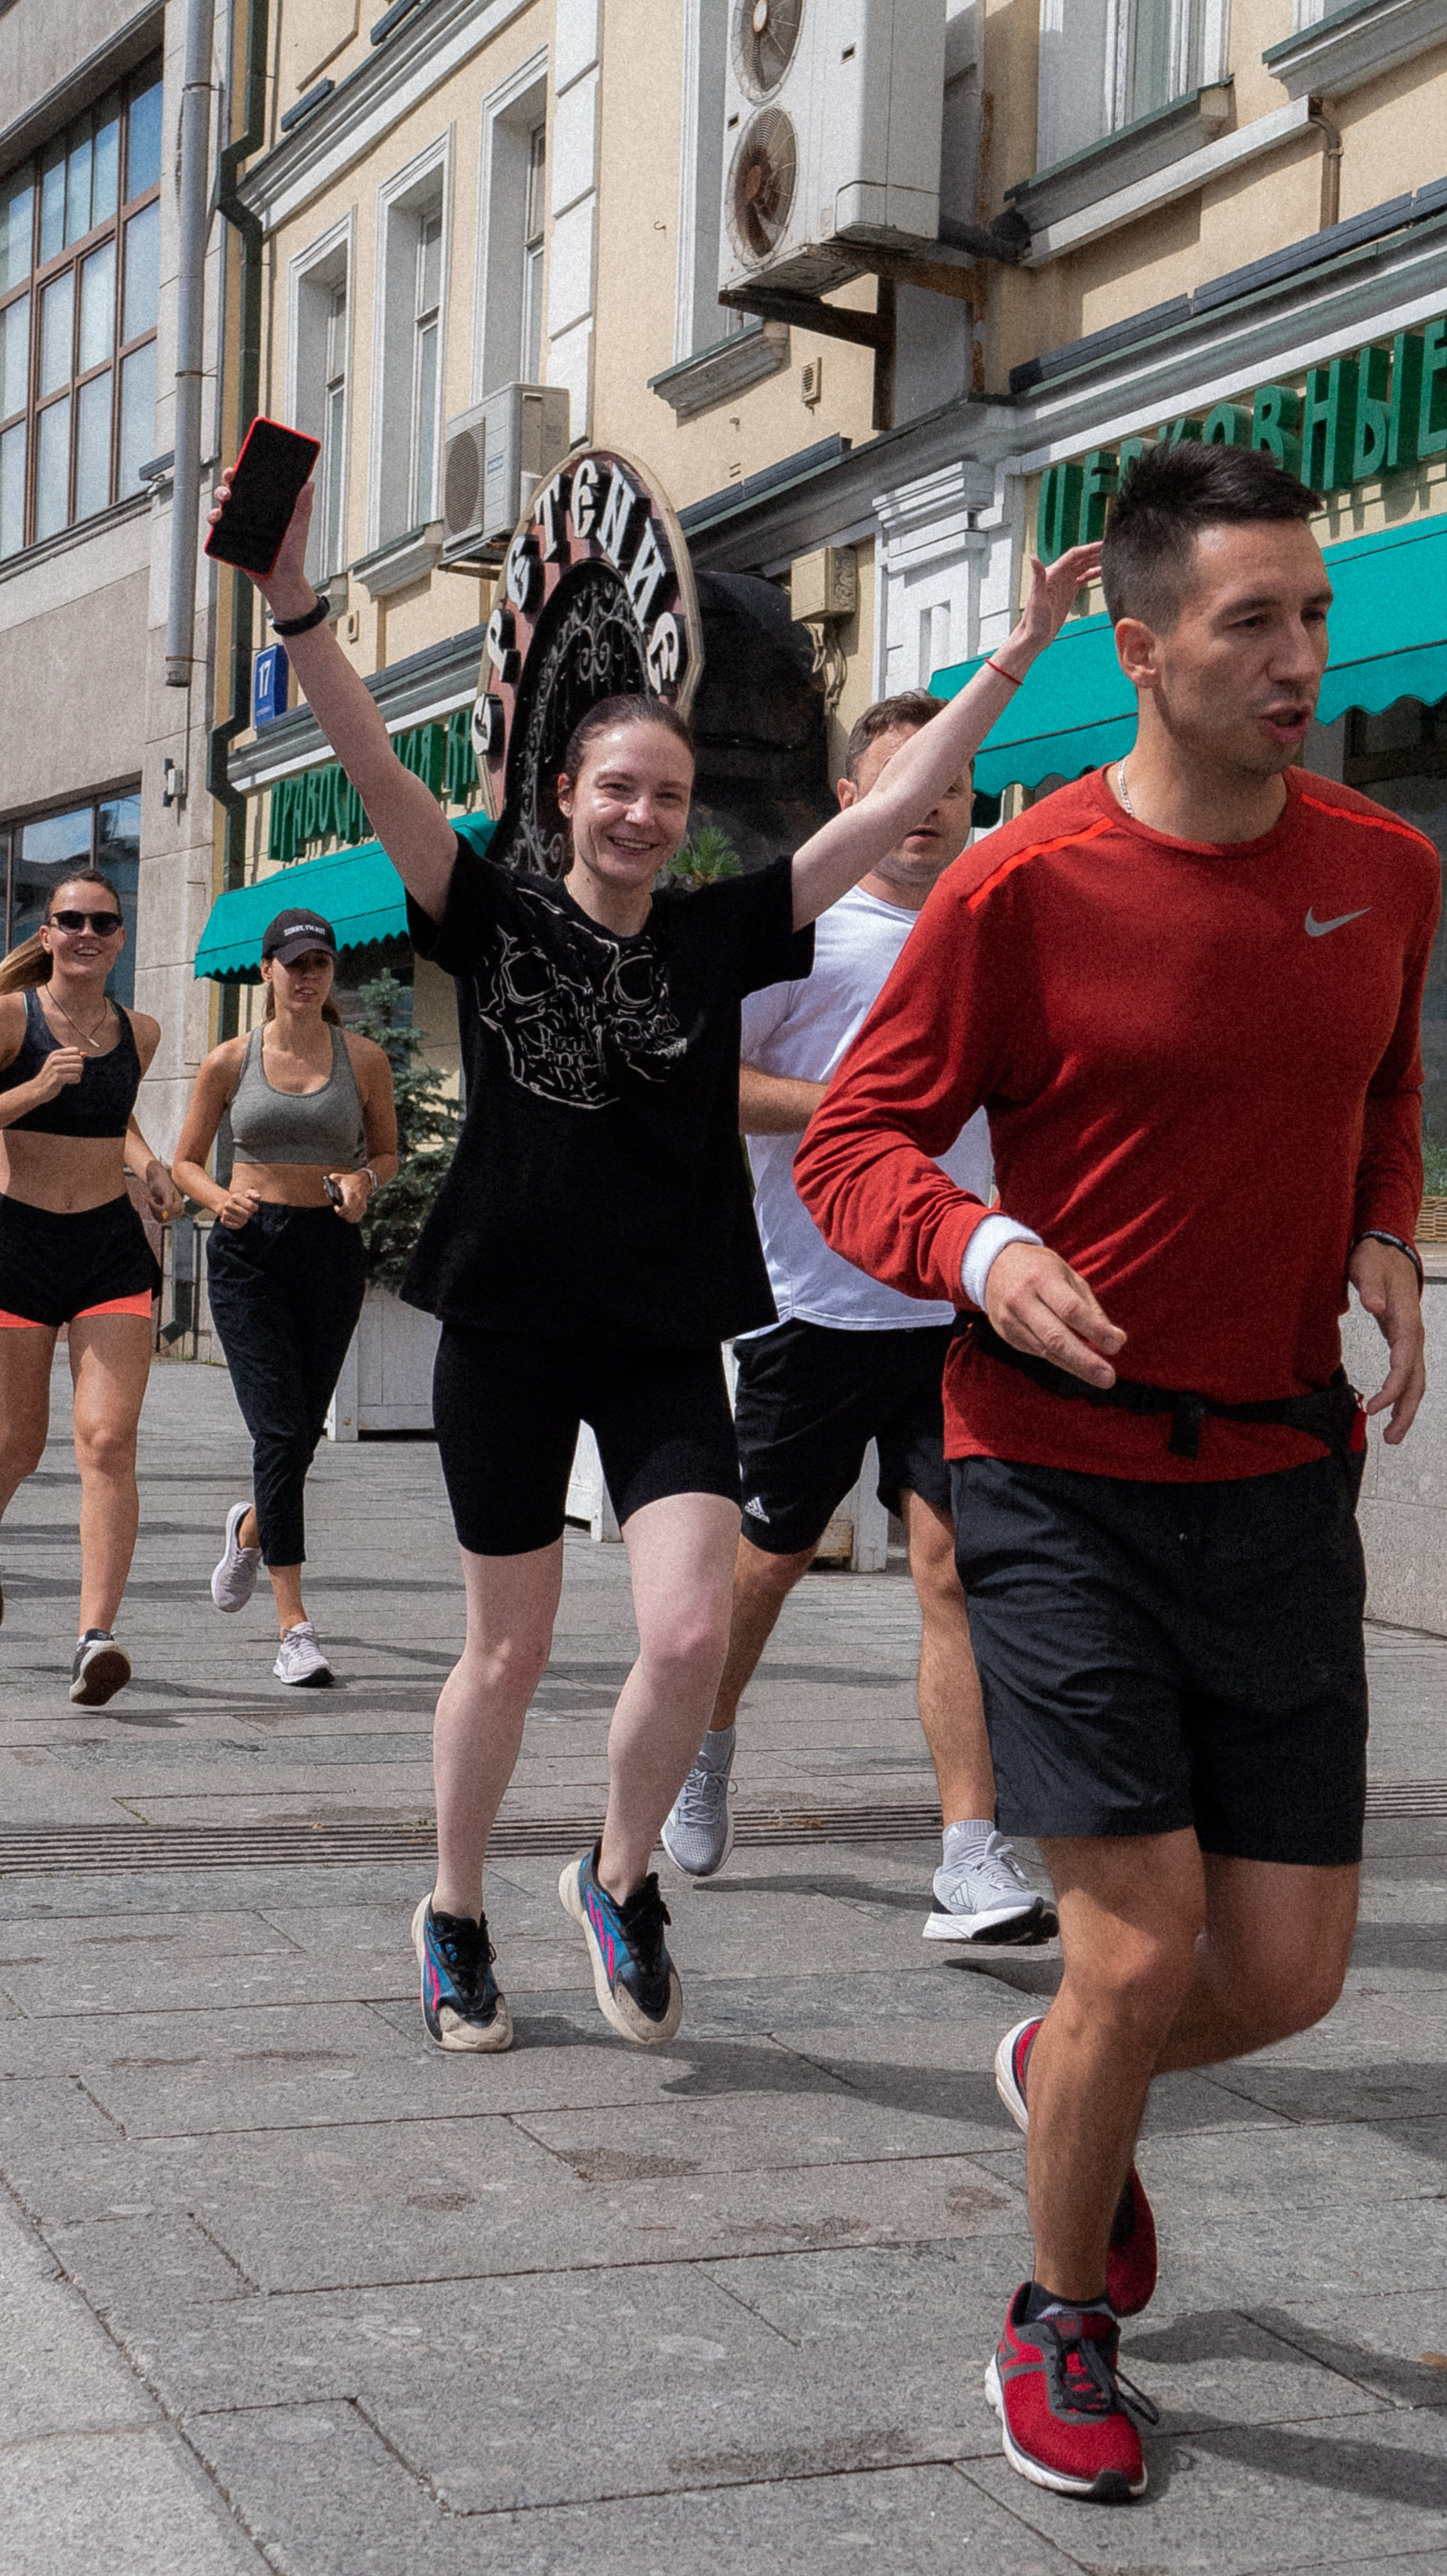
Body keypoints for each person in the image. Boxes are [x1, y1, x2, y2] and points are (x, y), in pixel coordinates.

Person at [212, 455, 1097, 2056]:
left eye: (669, 797)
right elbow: (367, 752)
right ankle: (455, 1909)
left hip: (666, 1332)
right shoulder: (485, 910)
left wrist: (1018, 654)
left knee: (688, 1632)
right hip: (506, 1326)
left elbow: (886, 810)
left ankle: (617, 1878)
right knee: (510, 1648)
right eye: (617, 787)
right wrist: (294, 604)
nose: (641, 814)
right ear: (566, 793)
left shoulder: (716, 934)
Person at [796, 438, 1436, 2503]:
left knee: (1289, 1976)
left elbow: (1378, 1081)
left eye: (1315, 614)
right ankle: (1058, 2315)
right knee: (1141, 1945)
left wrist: (1383, 1225)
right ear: (1142, 652)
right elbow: (854, 1142)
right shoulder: (1021, 883)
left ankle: (1061, 2060)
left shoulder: (1385, 867)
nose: (1300, 656)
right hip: (1051, 1476)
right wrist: (978, 1243)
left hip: (1276, 1472)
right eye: (1251, 622)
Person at [662, 690, 1050, 1947]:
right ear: (851, 801)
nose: (926, 806)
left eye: (948, 784)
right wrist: (853, 1107)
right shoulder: (800, 935)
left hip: (956, 1307)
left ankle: (971, 1853)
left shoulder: (995, 927)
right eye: (899, 785)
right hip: (810, 1307)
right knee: (770, 1559)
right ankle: (704, 1739)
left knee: (952, 1570)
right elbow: (706, 1085)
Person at [171, 908, 398, 1684]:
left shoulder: (363, 1058)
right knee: (278, 1429)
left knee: (300, 1432)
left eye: (320, 964)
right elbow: (185, 1160)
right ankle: (293, 1626)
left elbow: (387, 1152)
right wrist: (216, 1199)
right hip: (249, 1252)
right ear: (266, 970)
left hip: (328, 1249)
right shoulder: (230, 1060)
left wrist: (364, 1181)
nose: (307, 976)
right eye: (293, 963)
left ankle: (249, 1530)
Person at [0, 869, 182, 1703]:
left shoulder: (140, 1032)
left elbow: (118, 1118)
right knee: (16, 1445)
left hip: (108, 1249)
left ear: (119, 937)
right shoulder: (12, 1018)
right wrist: (34, 1088)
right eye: (70, 919)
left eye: (103, 922)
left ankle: (95, 1637)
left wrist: (149, 1165)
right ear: (47, 933)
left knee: (108, 1443)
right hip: (19, 1248)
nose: (86, 933)